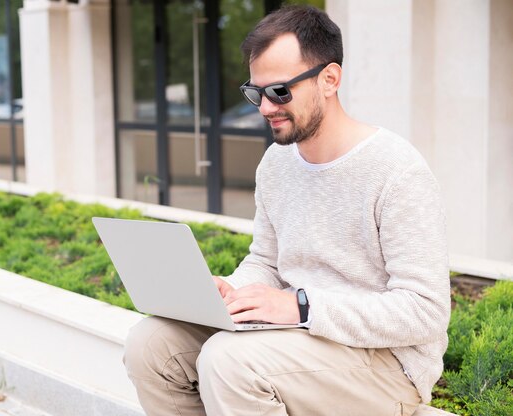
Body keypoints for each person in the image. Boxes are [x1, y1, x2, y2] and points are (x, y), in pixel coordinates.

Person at [123, 5, 450, 416]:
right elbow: (267, 261)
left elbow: (425, 312)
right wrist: (234, 291)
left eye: (280, 91)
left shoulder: (397, 171)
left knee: (227, 361)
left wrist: (301, 305)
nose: (264, 108)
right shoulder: (276, 165)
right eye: (255, 92)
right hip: (296, 335)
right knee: (150, 346)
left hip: (386, 365)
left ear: (329, 79)